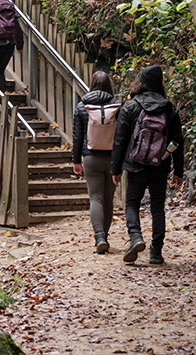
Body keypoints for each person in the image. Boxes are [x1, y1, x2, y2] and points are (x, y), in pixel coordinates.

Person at [110, 64, 184, 265]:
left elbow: (120, 140)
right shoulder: (169, 109)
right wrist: (178, 171)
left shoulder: (131, 106)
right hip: (160, 165)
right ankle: (156, 252)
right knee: (157, 208)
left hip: (135, 165)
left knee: (132, 203)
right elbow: (177, 142)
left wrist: (115, 169)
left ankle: (135, 238)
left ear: (141, 83)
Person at [72, 71, 121, 254]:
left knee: (95, 198)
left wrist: (76, 160)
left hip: (91, 158)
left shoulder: (82, 106)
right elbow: (122, 135)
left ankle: (99, 236)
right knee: (108, 199)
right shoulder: (118, 105)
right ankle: (105, 237)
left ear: (92, 84)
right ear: (109, 85)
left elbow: (77, 136)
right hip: (112, 158)